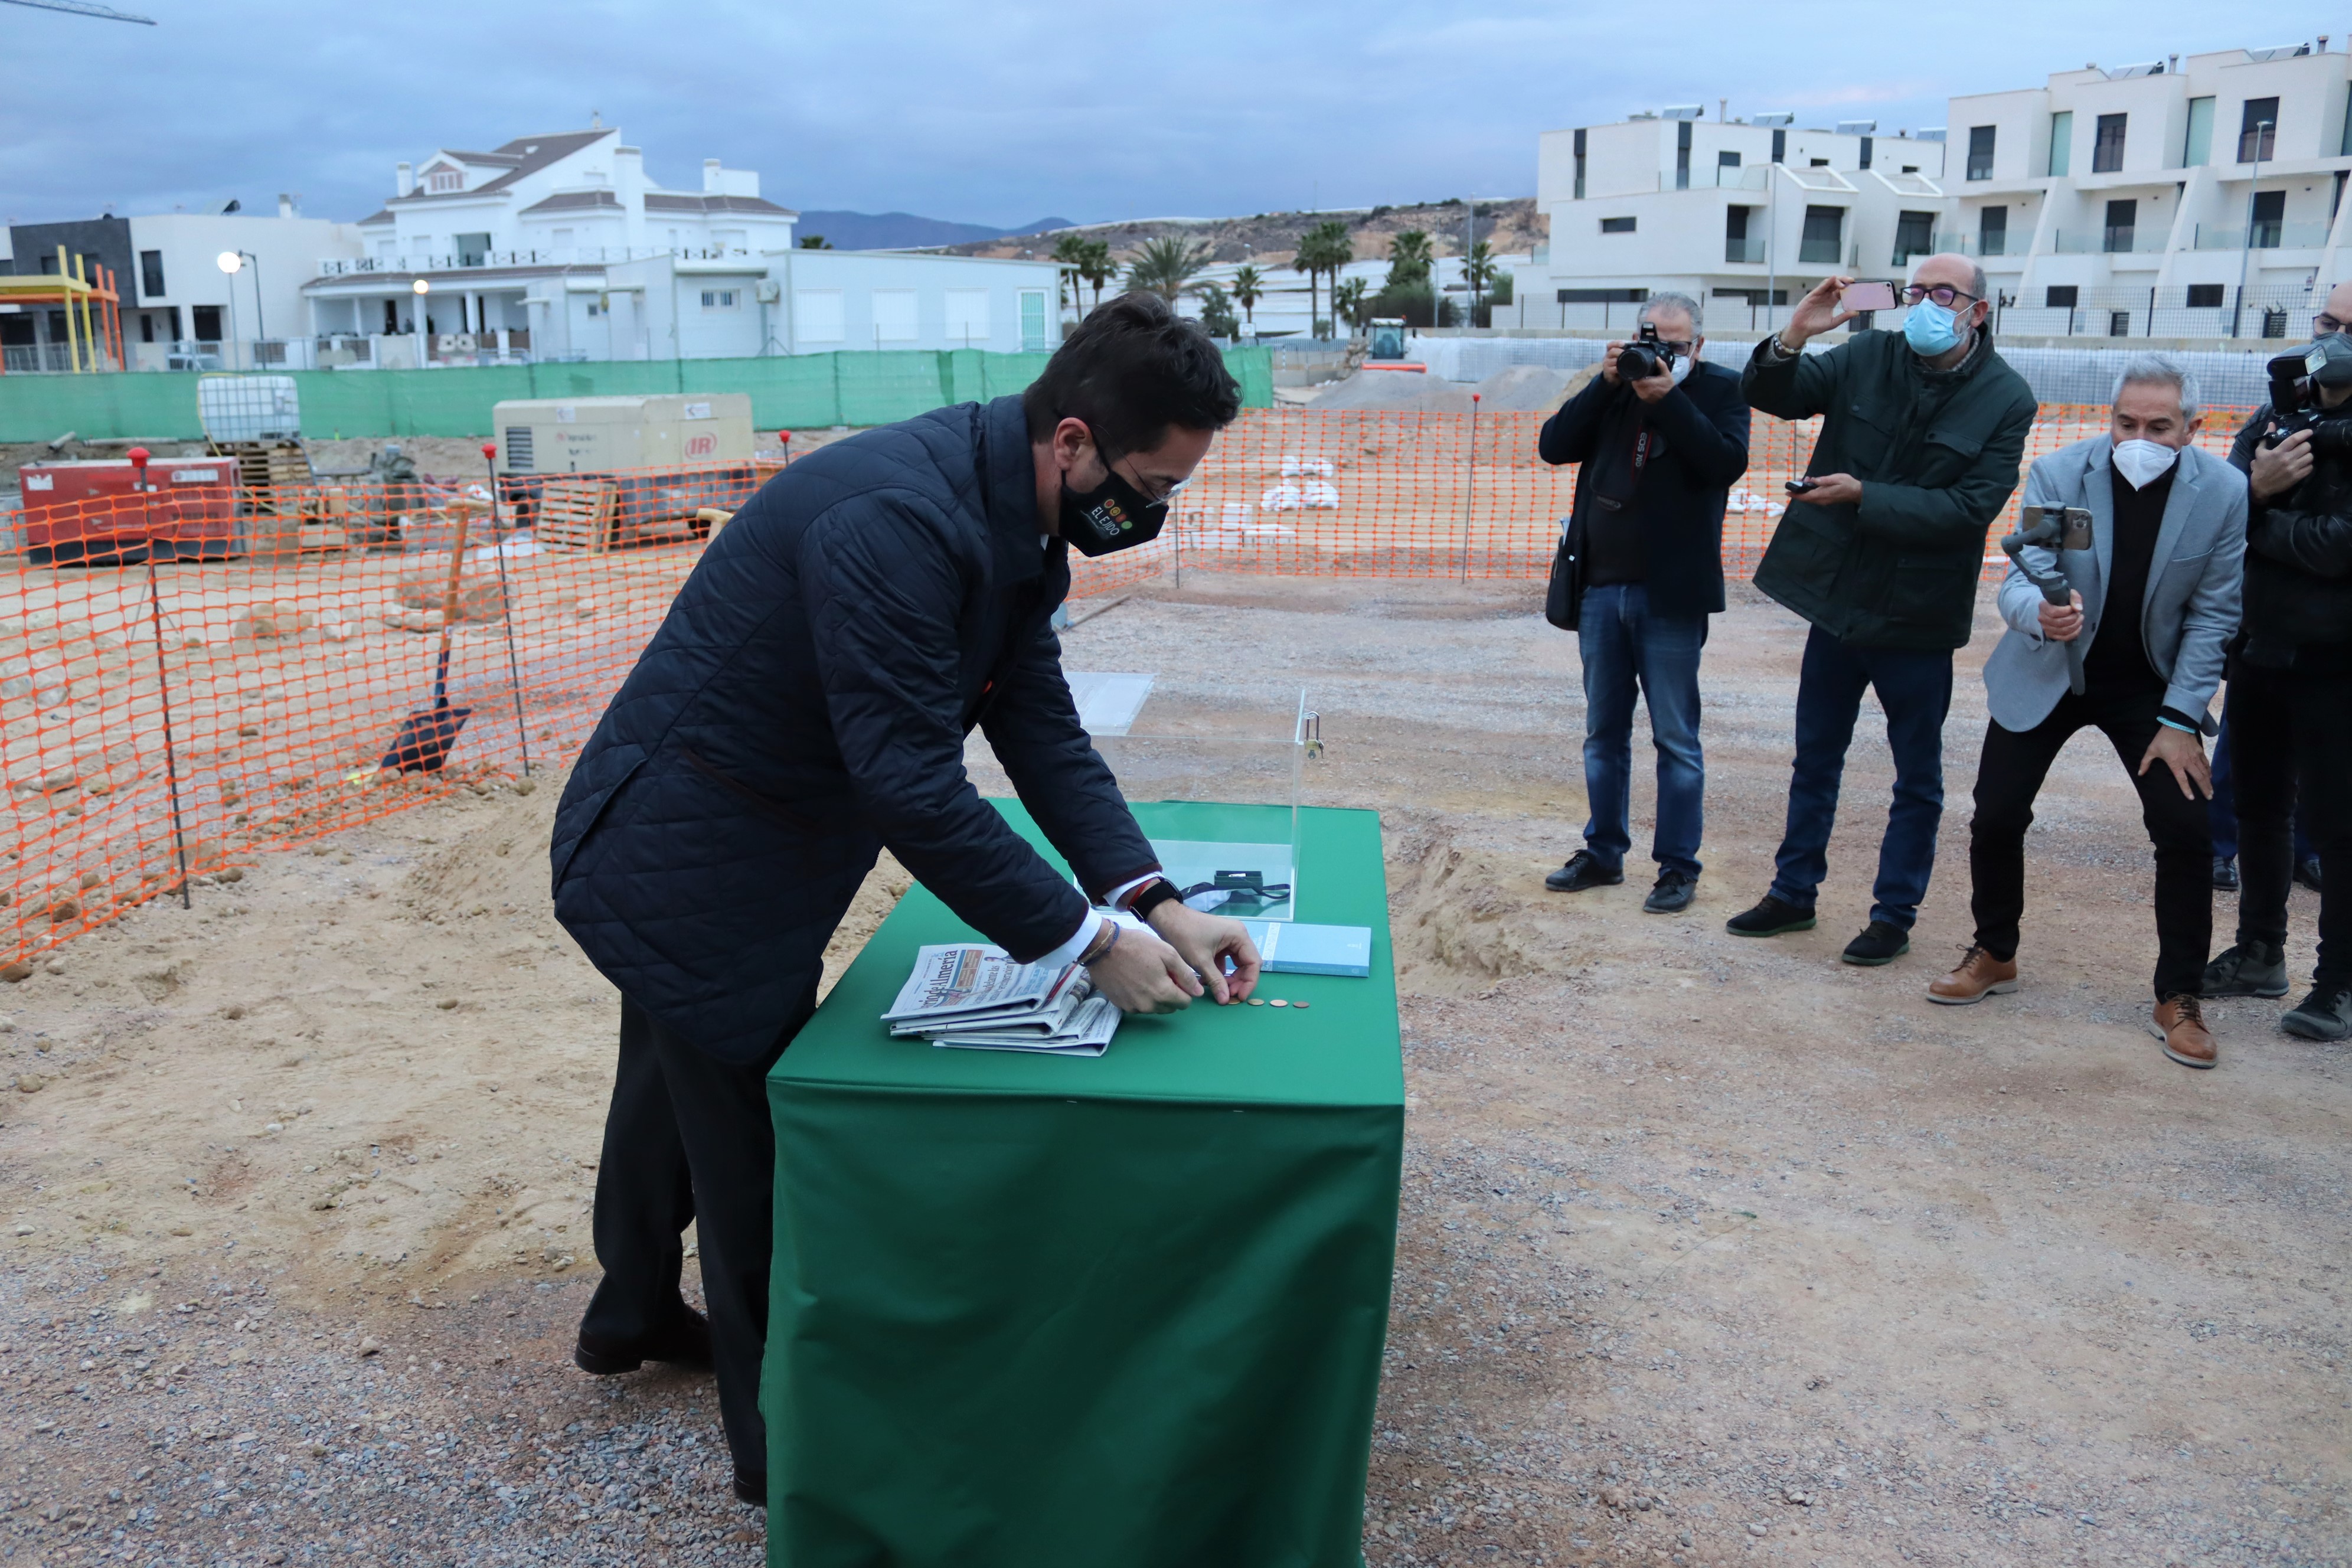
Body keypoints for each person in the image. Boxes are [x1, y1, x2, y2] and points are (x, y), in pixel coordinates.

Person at [546, 293, 1264, 1506]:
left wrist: (1156, 898)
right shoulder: (900, 520)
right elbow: (912, 787)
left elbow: (1037, 725)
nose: (1149, 511)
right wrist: (1090, 940)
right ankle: (784, 1448)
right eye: (1148, 480)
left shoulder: (1016, 517)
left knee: (669, 1079)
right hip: (695, 853)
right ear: (1077, 440)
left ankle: (624, 1315)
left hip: (741, 837)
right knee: (752, 1150)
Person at [1926, 356, 2244, 1069]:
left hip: (2152, 687)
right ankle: (1995, 951)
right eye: (2126, 422)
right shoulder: (2063, 474)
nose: (2139, 437)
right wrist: (2038, 614)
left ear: (2193, 428)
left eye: (2159, 426)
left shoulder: (2224, 492)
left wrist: (2182, 717)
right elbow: (2020, 578)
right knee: (1998, 812)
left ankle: (2179, 995)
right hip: (2052, 668)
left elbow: (2215, 615)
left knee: (2185, 828)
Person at [1724, 255, 2039, 964]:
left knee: (1916, 776)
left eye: (1944, 293)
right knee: (1815, 758)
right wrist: (1794, 337)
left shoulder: (2007, 397)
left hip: (1917, 617)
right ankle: (1792, 893)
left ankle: (1893, 914)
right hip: (1837, 602)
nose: (1926, 303)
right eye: (1917, 289)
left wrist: (1865, 495)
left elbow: (1969, 509)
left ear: (1977, 312)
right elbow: (1778, 395)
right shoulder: (1868, 353)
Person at [1537, 292, 1752, 912]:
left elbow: (1724, 463)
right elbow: (1554, 445)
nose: (1660, 354)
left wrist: (1671, 400)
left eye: (1675, 346)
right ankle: (1603, 853)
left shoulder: (1720, 390)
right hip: (1601, 587)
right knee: (1602, 733)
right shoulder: (1615, 388)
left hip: (1672, 594)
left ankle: (1678, 867)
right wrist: (1607, 385)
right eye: (1650, 340)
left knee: (1676, 739)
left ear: (1699, 348)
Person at [2199, 325, 2352, 1039]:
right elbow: (2219, 503)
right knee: (2260, 809)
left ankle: (2337, 985)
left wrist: (2255, 512)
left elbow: (2336, 549)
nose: (2334, 339)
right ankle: (2261, 951)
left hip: (2336, 661)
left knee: (2338, 828)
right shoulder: (2275, 413)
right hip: (2260, 648)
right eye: (2329, 323)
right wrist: (2254, 498)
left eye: (2351, 328)